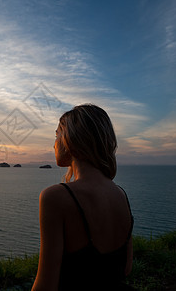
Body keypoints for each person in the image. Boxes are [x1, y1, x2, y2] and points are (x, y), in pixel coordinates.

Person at [32, 104, 134, 290]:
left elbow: (45, 286)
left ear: (71, 139)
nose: (53, 143)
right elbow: (126, 268)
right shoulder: (121, 195)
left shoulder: (55, 197)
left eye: (57, 134)